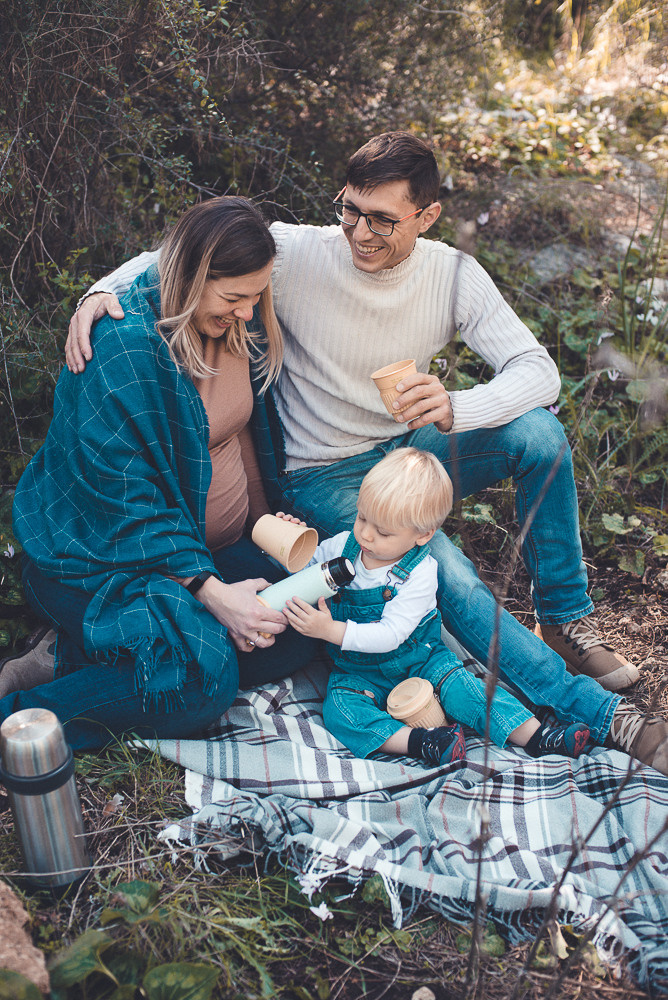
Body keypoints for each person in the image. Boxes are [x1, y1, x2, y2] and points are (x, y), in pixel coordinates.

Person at [61, 131, 668, 772]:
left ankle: (565, 619)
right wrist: (97, 293)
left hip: (408, 448)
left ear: (426, 216)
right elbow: (177, 257)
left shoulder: (452, 275)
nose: (359, 232)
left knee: (539, 435)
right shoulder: (297, 253)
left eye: (382, 219)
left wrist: (457, 406)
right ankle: (604, 716)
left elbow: (538, 373)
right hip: (324, 474)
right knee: (444, 568)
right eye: (350, 210)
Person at [0, 197, 319, 750]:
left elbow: (240, 432)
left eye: (256, 296)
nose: (248, 312)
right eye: (234, 298)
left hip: (200, 552)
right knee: (201, 681)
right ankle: (18, 725)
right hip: (97, 561)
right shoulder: (122, 352)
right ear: (192, 277)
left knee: (296, 624)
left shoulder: (235, 327)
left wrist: (266, 526)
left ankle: (70, 655)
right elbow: (126, 511)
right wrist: (213, 593)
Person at [284, 449, 592, 768]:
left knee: (468, 691)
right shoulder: (342, 546)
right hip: (359, 672)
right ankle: (423, 742)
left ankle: (539, 736)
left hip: (421, 662)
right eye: (361, 517)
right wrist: (290, 544)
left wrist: (330, 630)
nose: (365, 534)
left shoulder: (419, 573)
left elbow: (391, 635)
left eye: (383, 531)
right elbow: (304, 571)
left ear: (423, 535)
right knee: (340, 711)